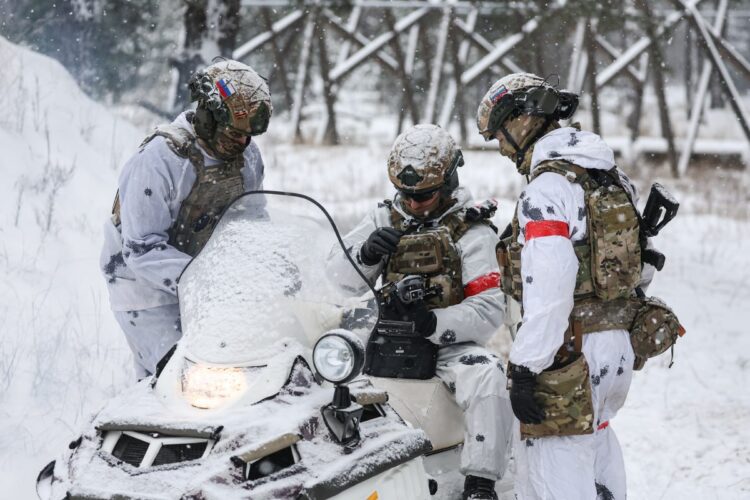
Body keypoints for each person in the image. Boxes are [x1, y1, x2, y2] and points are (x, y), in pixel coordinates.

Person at [477, 72, 652, 500]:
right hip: (616, 346)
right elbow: (641, 269)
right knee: (597, 445)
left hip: (567, 352)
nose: (500, 147)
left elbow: (550, 292)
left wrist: (524, 368)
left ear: (522, 123)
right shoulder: (611, 179)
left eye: (500, 135)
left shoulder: (547, 190)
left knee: (552, 471)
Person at [327, 124, 514, 500]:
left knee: (488, 375)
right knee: (323, 370)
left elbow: (490, 307)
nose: (413, 204)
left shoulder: (473, 232)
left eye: (424, 196)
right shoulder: (383, 218)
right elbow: (337, 278)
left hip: (447, 344)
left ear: (448, 183)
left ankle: (480, 482)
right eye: (406, 194)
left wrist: (433, 322)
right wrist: (365, 255)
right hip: (383, 337)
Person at [100, 60, 272, 379]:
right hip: (142, 291)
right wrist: (207, 278)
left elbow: (252, 221)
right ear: (207, 115)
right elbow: (141, 249)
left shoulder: (247, 157)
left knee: (239, 376)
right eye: (235, 133)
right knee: (179, 378)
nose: (242, 143)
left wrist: (270, 267)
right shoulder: (161, 159)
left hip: (207, 286)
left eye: (250, 135)